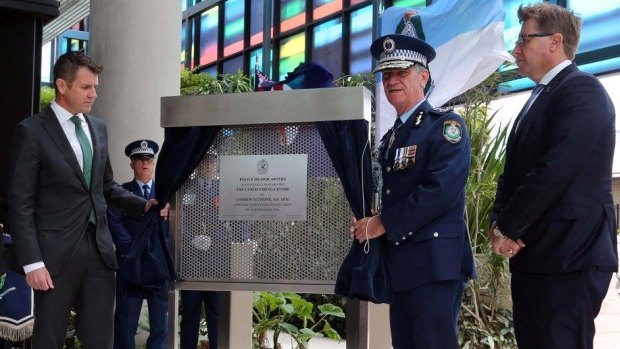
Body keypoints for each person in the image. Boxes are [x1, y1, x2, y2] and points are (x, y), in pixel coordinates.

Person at [7, 51, 164, 349]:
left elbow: (105, 187)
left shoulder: (98, 128)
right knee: (49, 339)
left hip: (100, 251)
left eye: (95, 87)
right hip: (54, 256)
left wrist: (143, 205)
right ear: (62, 86)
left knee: (99, 340)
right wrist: (32, 262)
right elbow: (20, 202)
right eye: (86, 87)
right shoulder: (31, 131)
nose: (93, 94)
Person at [488, 3, 618, 349]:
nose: (516, 50)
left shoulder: (582, 90)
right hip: (537, 258)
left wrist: (508, 227)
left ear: (555, 41)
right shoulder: (538, 98)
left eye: (523, 40)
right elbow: (513, 172)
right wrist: (498, 222)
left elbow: (555, 170)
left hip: (569, 257)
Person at [349, 33, 474, 348]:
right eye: (387, 74)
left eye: (401, 73)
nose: (392, 81)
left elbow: (441, 190)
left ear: (423, 76)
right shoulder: (394, 136)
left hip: (433, 266)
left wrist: (383, 223)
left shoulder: (445, 127)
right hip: (402, 265)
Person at [108, 140, 169, 349]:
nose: (144, 163)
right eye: (139, 159)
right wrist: (131, 251)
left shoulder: (166, 194)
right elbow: (114, 222)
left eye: (148, 159)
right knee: (126, 321)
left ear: (153, 163)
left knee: (160, 323)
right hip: (131, 264)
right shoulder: (123, 193)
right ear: (132, 164)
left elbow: (173, 227)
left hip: (158, 264)